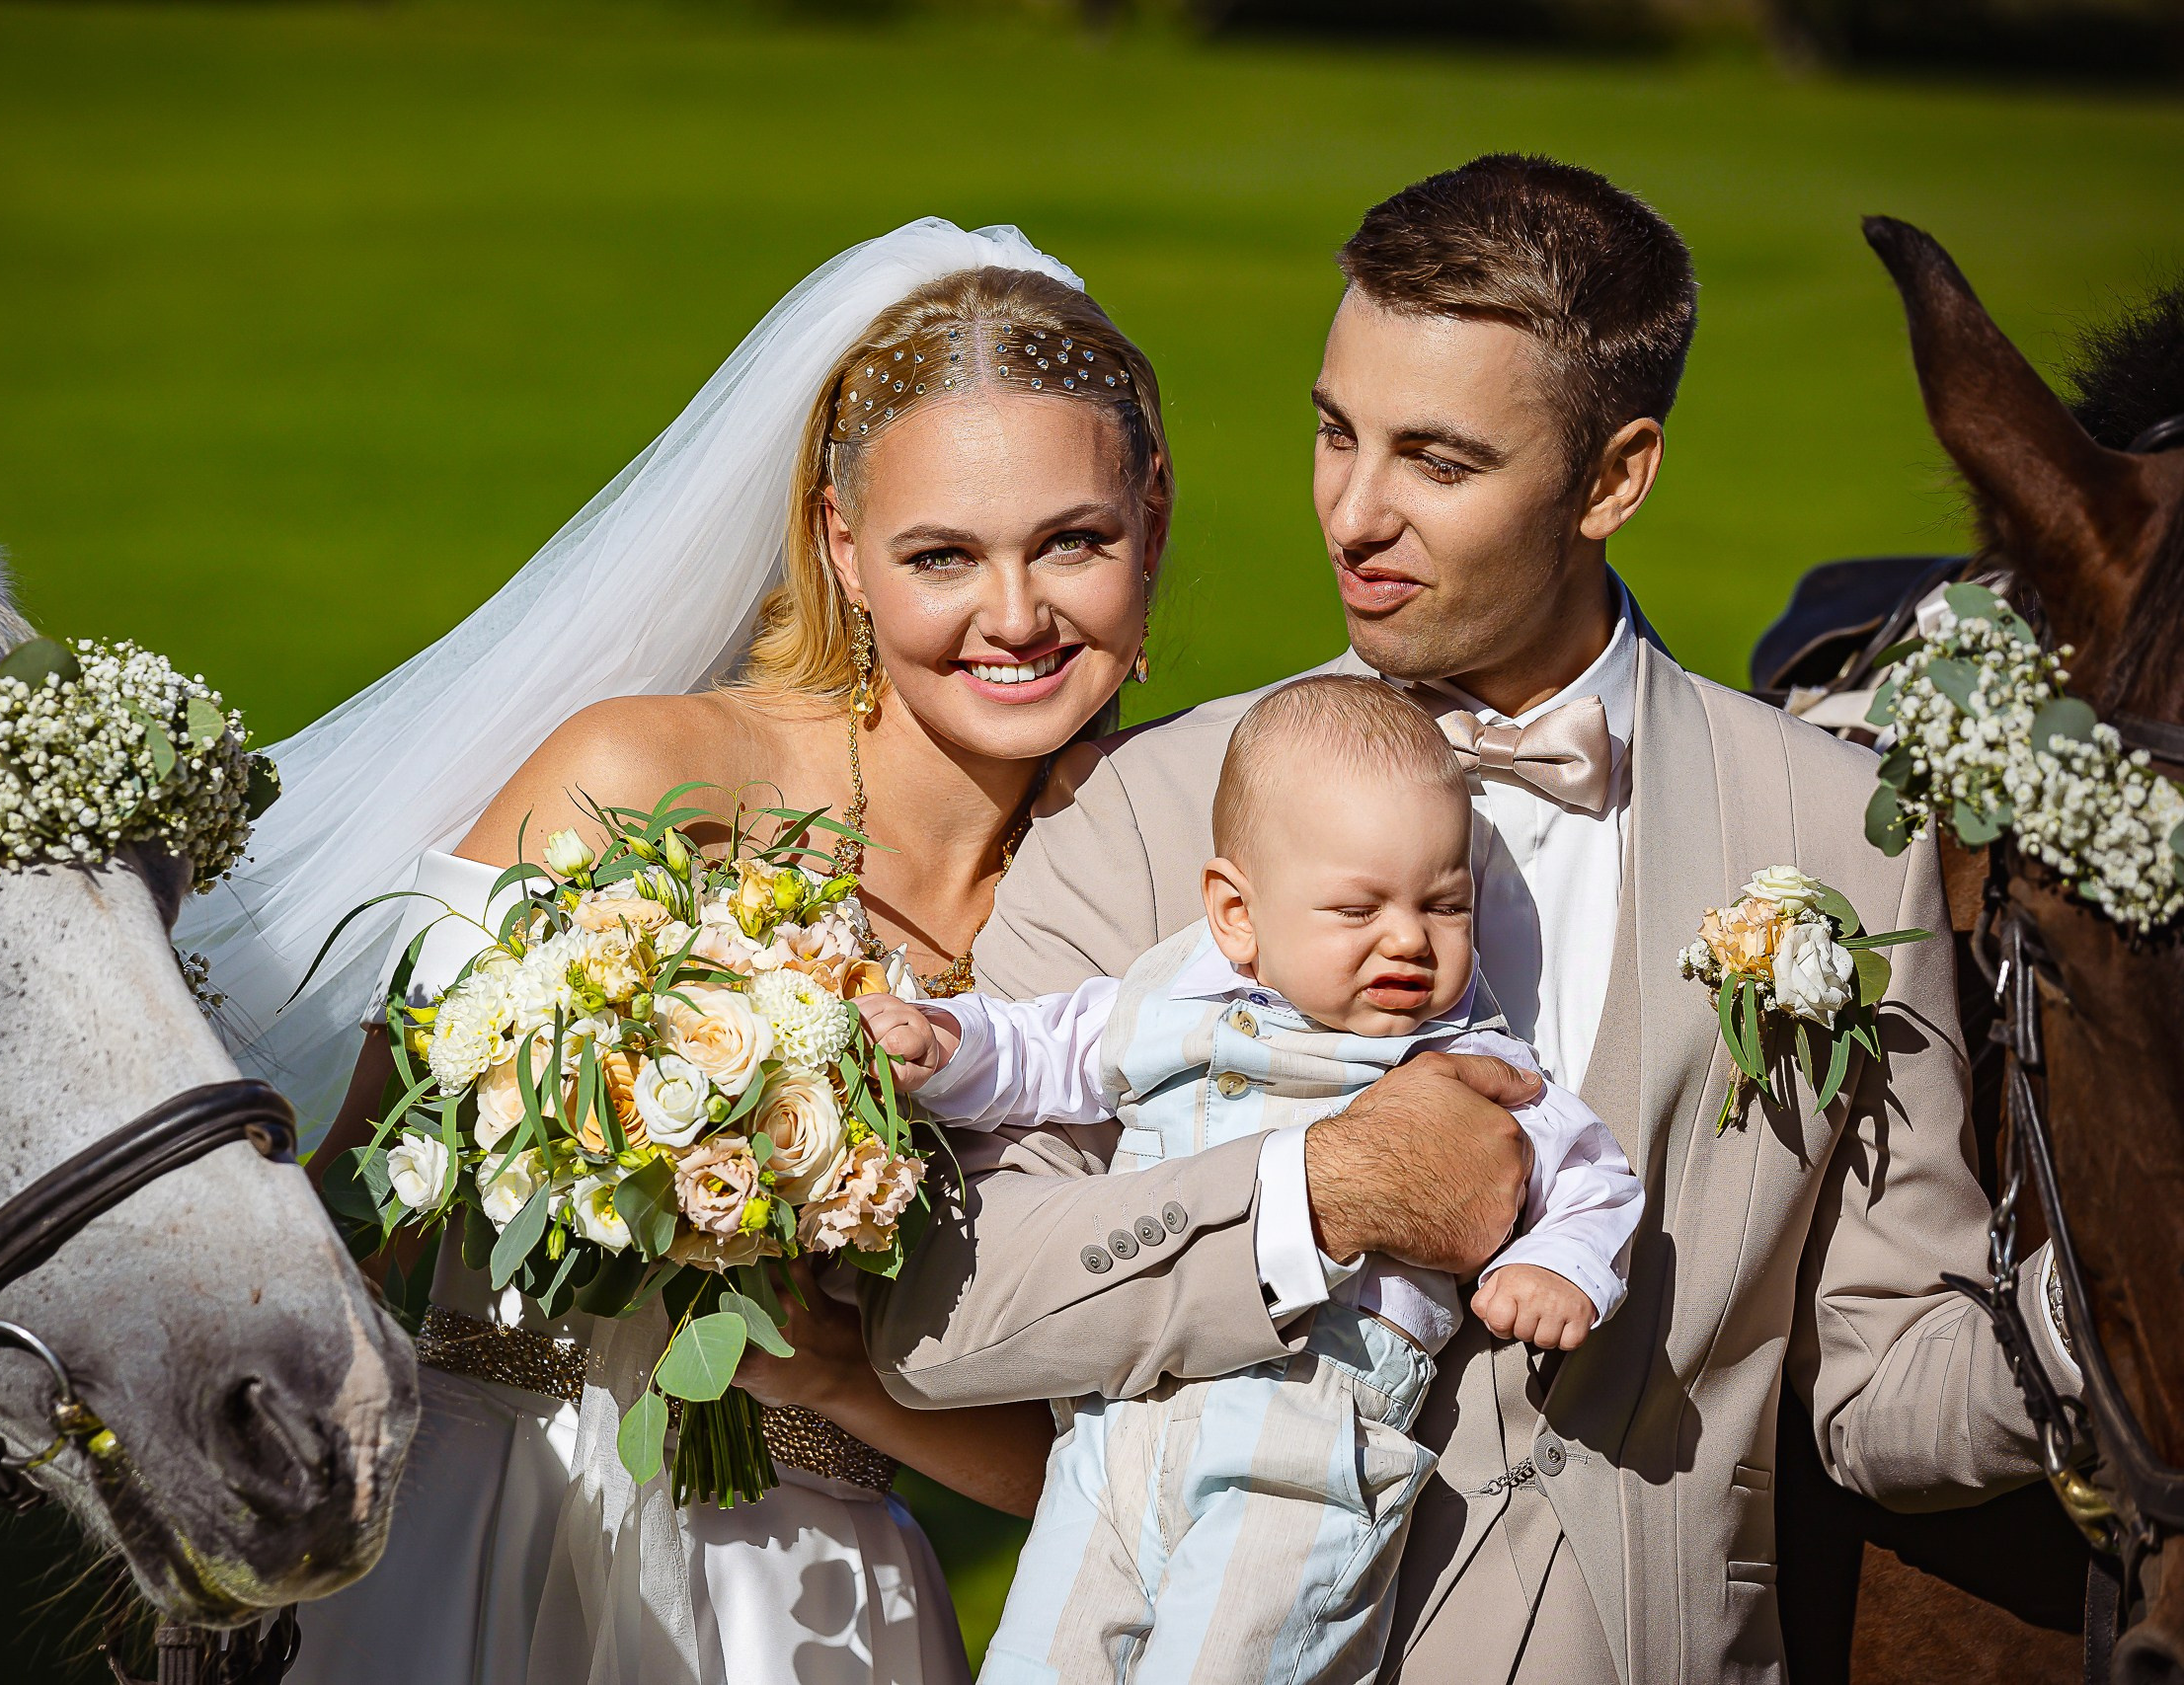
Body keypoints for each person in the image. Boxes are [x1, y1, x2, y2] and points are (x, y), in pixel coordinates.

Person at [864, 156, 2080, 1684]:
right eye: (1334, 431)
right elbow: (948, 1315)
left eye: (1436, 460)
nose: (1352, 512)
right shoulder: (1151, 809)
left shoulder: (1832, 827)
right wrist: (1324, 1191)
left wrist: (2089, 1323)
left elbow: (1884, 1380)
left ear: (1613, 477)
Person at [181, 218, 1174, 1685]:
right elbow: (353, 1206)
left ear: (1152, 516)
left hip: (816, 1609)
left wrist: (838, 1372)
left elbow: (1107, 1464)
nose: (1014, 614)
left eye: (1072, 541)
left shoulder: (1158, 896)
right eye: (941, 554)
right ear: (843, 548)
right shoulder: (644, 776)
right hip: (468, 1548)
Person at [863, 674, 1642, 1685]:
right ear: (1236, 912)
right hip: (1115, 1432)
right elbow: (1043, 1052)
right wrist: (945, 1042)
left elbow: (1592, 1174)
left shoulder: (1468, 1064)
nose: (1407, 937)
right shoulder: (1171, 994)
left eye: (1442, 904)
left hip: (1306, 1444)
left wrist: (1561, 1266)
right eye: (1357, 908)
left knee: (1230, 1659)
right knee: (1038, 1658)